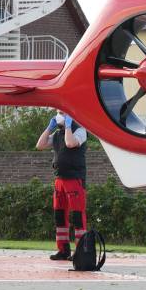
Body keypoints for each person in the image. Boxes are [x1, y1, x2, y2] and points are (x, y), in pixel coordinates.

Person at [36, 110, 88, 261]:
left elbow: (70, 143)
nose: (59, 115)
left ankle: (80, 251)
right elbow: (40, 145)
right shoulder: (58, 134)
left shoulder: (80, 131)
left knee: (77, 215)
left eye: (62, 113)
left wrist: (68, 126)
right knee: (59, 216)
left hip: (75, 178)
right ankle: (63, 250)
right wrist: (49, 128)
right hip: (59, 179)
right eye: (58, 112)